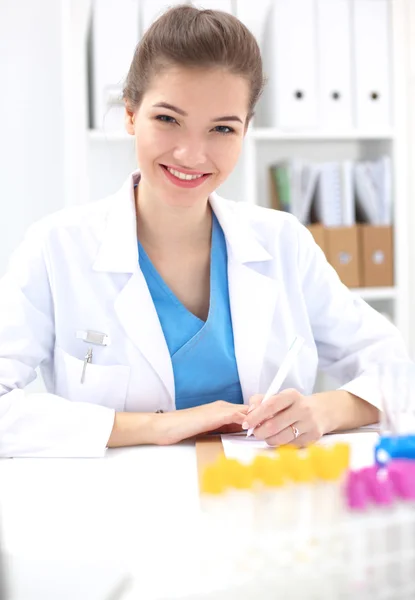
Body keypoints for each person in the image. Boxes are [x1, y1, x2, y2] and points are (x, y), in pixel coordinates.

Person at [0, 5, 410, 457]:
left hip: (270, 505)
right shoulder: (56, 248)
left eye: (221, 128)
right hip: (120, 512)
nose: (191, 154)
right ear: (131, 115)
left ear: (245, 131)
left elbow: (398, 368)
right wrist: (157, 427)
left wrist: (327, 409)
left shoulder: (282, 242)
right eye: (168, 119)